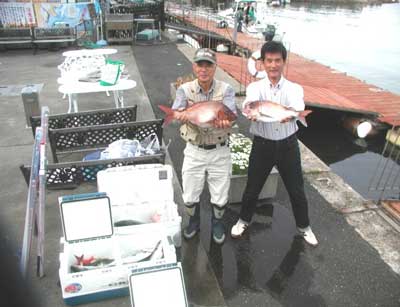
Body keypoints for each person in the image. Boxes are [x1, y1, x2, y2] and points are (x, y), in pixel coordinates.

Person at [230, 41, 318, 246]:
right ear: (262, 62)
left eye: (277, 60)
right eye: (268, 60)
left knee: (296, 190)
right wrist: (251, 111)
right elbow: (249, 103)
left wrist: (291, 114)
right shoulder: (255, 87)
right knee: (253, 187)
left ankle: (304, 227)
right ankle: (243, 220)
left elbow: (297, 106)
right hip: (263, 145)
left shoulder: (294, 88)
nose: (273, 65)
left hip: (288, 145)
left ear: (284, 62)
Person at [172, 48, 237, 244]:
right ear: (194, 66)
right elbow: (176, 115)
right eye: (200, 64)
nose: (204, 69)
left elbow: (232, 115)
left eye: (208, 65)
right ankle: (194, 221)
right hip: (194, 150)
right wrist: (179, 116)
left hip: (220, 150)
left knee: (220, 194)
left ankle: (218, 223)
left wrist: (228, 123)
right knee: (190, 193)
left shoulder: (226, 90)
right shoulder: (185, 89)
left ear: (215, 67)